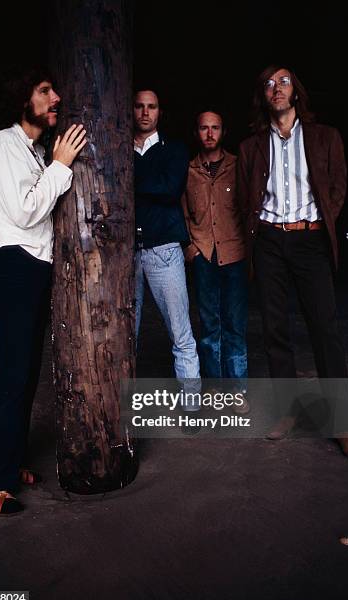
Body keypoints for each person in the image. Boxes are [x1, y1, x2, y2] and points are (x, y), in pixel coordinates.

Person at [0, 67, 87, 515]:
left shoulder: (32, 151)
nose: (55, 97)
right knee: (12, 371)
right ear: (23, 100)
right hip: (14, 262)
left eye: (54, 90)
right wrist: (61, 165)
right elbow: (25, 212)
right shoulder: (2, 144)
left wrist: (51, 164)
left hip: (34, 265)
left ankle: (8, 462)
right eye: (44, 91)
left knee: (27, 370)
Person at [237, 64, 348, 461]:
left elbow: (339, 186)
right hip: (270, 241)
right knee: (275, 329)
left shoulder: (326, 137)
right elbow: (245, 197)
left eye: (285, 81)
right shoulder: (251, 146)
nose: (277, 88)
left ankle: (342, 421)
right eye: (270, 83)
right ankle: (287, 411)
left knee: (324, 328)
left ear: (297, 93)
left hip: (310, 240)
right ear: (263, 95)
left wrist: (319, 220)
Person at [182, 110, 248, 412]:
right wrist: (190, 244)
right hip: (204, 255)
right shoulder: (189, 169)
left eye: (215, 128)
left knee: (234, 324)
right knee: (209, 326)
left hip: (234, 255)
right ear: (197, 132)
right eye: (204, 128)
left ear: (223, 131)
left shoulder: (238, 166)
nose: (210, 134)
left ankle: (237, 391)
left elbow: (249, 207)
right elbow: (181, 210)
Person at [133, 89, 200, 389]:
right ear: (131, 110)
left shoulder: (174, 149)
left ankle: (191, 402)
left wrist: (127, 179)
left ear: (160, 111)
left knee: (180, 331)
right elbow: (155, 185)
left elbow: (170, 189)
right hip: (124, 252)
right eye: (139, 106)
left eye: (152, 107)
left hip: (165, 250)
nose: (145, 112)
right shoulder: (119, 148)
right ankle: (122, 408)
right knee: (123, 335)